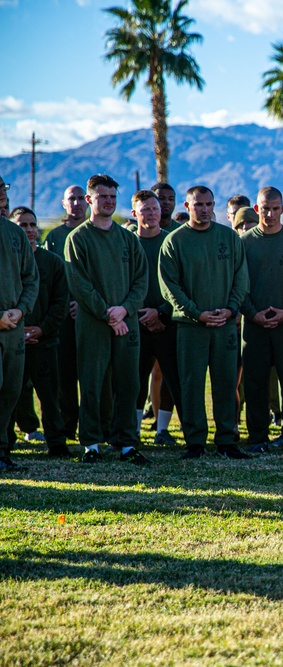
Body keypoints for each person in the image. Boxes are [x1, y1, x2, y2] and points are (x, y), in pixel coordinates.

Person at [159, 185, 249, 460]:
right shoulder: (175, 241)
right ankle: (195, 442)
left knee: (225, 383)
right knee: (191, 384)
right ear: (187, 207)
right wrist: (196, 313)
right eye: (199, 205)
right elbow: (169, 286)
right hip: (191, 326)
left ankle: (226, 440)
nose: (205, 210)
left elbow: (240, 277)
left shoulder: (228, 237)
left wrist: (231, 310)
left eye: (209, 204)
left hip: (224, 325)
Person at [64, 174, 148, 464]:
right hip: (93, 323)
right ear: (90, 200)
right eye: (103, 197)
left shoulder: (128, 238)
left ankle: (126, 444)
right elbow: (79, 283)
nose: (109, 202)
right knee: (92, 382)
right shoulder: (78, 238)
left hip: (127, 321)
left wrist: (125, 309)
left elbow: (141, 279)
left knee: (129, 383)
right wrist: (107, 314)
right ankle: (90, 444)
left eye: (113, 197)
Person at [240, 187, 283, 454]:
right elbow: (238, 283)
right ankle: (257, 438)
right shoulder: (244, 242)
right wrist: (252, 312)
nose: (270, 213)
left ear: (282, 209)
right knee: (255, 384)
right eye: (265, 209)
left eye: (275, 208)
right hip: (255, 326)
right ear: (257, 209)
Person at [9, 207, 69, 457]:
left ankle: (57, 443)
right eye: (23, 225)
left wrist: (41, 329)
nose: (30, 230)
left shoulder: (52, 262)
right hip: (13, 341)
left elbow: (60, 302)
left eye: (33, 225)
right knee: (10, 397)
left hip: (45, 341)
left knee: (51, 397)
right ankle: (7, 444)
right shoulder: (8, 263)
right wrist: (19, 329)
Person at [132, 190, 183, 447]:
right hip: (136, 321)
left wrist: (161, 311)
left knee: (171, 379)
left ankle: (163, 430)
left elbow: (179, 283)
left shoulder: (172, 241)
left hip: (167, 321)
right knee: (135, 379)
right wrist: (142, 312)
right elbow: (124, 283)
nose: (152, 214)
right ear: (135, 214)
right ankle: (134, 431)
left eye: (155, 209)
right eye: (145, 210)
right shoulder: (128, 243)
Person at [43, 185, 89, 441]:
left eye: (81, 198)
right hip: (63, 317)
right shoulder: (55, 236)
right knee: (65, 374)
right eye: (72, 199)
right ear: (63, 204)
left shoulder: (94, 234)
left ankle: (95, 426)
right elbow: (51, 278)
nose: (77, 203)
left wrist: (84, 303)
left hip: (92, 313)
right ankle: (68, 425)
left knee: (93, 373)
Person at [0, 182, 39, 472]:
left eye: (3, 188)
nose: (2, 193)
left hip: (13, 326)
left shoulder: (15, 234)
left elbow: (31, 277)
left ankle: (3, 451)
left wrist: (20, 309)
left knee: (11, 390)